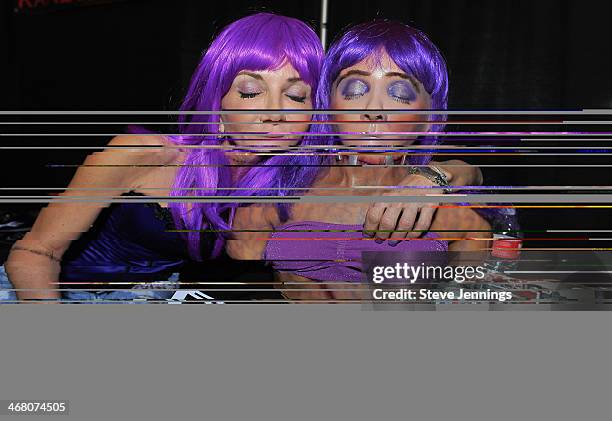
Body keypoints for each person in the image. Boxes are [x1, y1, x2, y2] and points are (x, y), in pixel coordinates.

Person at [227, 20, 500, 301]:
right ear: (328, 104)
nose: (374, 109)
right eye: (355, 90)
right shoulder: (276, 190)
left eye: (400, 94)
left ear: (428, 118)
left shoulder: (457, 216)